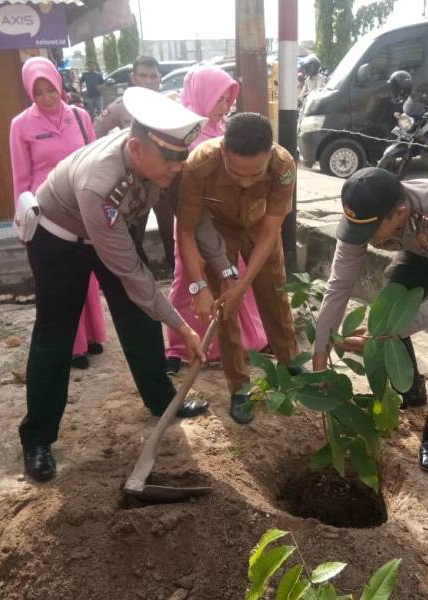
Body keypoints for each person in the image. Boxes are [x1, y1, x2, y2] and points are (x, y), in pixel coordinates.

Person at [19, 87, 235, 482]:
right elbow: (132, 274)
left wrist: (224, 268)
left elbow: (195, 216)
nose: (174, 172)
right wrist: (182, 326)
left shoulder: (164, 156)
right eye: (169, 166)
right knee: (56, 335)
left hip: (115, 228)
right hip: (59, 239)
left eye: (178, 164)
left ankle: (161, 399)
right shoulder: (99, 184)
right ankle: (37, 438)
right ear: (136, 149)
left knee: (139, 318)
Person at [312, 167, 428, 473]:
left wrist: (389, 333)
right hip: (419, 245)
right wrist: (321, 349)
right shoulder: (366, 211)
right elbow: (339, 285)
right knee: (390, 304)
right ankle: (411, 389)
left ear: (398, 213)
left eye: (369, 232)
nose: (362, 239)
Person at [177, 112, 300, 425]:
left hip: (261, 229)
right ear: (223, 153)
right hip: (218, 235)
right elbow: (187, 231)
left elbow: (271, 232)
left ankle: (291, 367)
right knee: (224, 310)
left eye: (254, 174)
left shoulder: (283, 166)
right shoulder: (199, 165)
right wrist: (198, 286)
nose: (246, 180)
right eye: (236, 172)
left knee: (275, 295)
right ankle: (240, 387)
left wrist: (242, 286)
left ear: (269, 154)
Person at [165, 66, 268, 375]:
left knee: (232, 276)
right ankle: (179, 345)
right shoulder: (184, 135)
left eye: (227, 98)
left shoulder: (226, 131)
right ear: (201, 95)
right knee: (189, 282)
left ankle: (233, 342)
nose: (224, 106)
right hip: (193, 220)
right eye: (218, 98)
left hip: (226, 221)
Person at [9, 56, 107, 370]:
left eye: (50, 89)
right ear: (29, 94)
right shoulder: (21, 124)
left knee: (87, 272)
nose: (46, 98)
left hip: (81, 205)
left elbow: (97, 158)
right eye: (38, 93)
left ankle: (93, 336)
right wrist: (23, 217)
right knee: (60, 278)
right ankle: (74, 346)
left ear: (59, 85)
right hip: (47, 211)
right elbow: (20, 176)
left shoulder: (78, 116)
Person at [94, 56, 175, 270]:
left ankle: (177, 278)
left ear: (160, 79)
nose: (149, 80)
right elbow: (98, 129)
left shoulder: (169, 105)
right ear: (133, 78)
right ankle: (141, 279)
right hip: (134, 183)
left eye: (153, 76)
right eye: (143, 75)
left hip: (164, 181)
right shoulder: (122, 106)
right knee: (134, 235)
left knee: (171, 232)